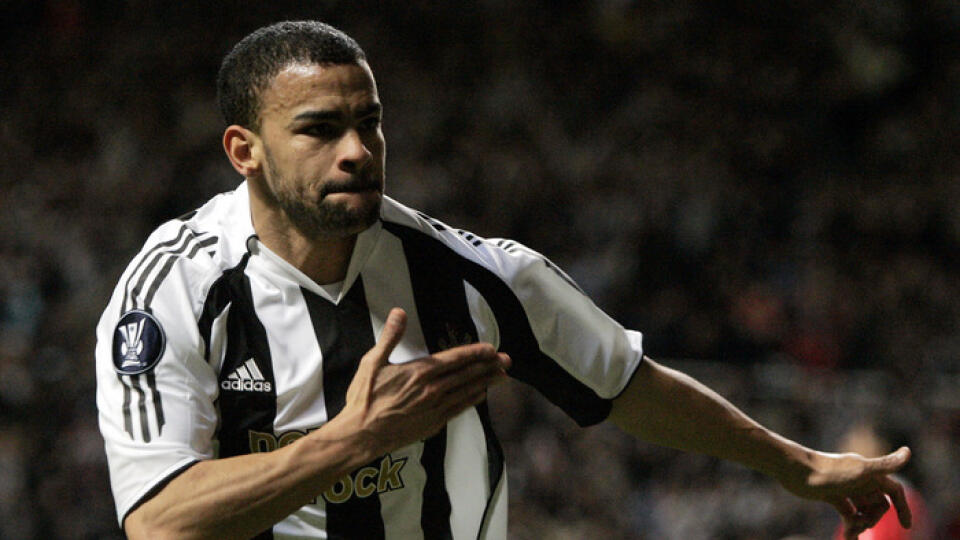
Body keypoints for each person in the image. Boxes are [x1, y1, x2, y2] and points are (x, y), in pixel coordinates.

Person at [95, 20, 913, 540]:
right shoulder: (171, 294)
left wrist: (797, 466)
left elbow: (628, 384)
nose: (357, 150)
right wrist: (355, 439)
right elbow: (163, 519)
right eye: (319, 129)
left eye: (369, 122)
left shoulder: (468, 274)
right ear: (246, 151)